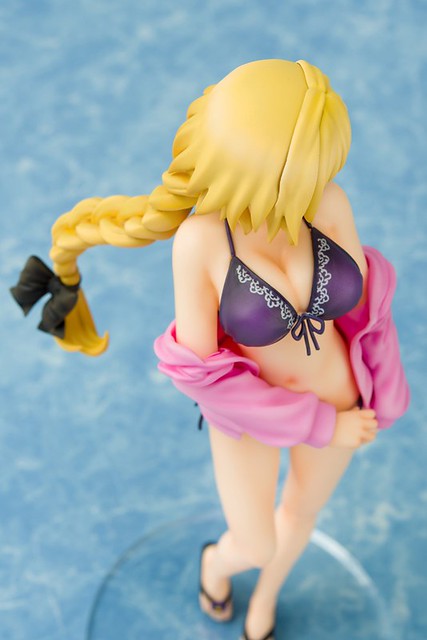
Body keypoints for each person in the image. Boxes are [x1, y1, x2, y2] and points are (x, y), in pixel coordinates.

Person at [11, 59, 410, 640]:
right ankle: (215, 566)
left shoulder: (328, 203)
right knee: (255, 541)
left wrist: (380, 384)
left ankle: (265, 601)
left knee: (302, 512)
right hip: (249, 419)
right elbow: (204, 376)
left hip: (338, 390)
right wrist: (319, 424)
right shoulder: (201, 242)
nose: (318, 178)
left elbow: (366, 311)